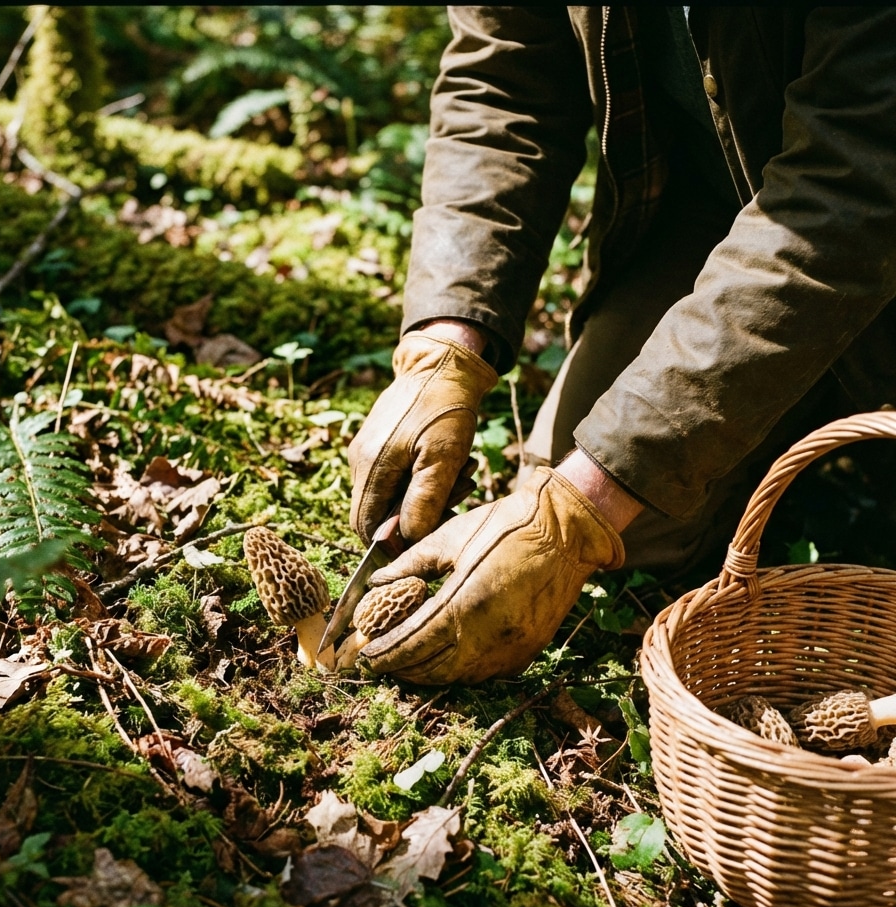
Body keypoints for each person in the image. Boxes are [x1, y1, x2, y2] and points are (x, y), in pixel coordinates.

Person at [344, 7, 896, 686]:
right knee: (614, 514)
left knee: (600, 495)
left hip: (851, 203)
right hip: (721, 197)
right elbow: (501, 77)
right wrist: (446, 341)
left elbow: (851, 197)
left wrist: (587, 503)